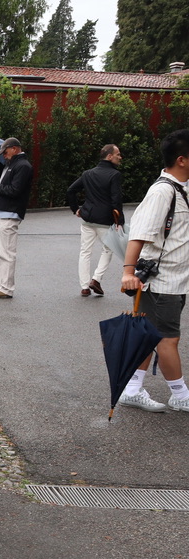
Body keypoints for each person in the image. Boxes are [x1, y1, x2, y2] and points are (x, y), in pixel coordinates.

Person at [117, 129, 189, 413]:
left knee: (149, 335)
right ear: (181, 159)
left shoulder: (182, 187)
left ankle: (132, 388)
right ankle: (180, 394)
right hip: (162, 282)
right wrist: (127, 272)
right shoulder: (162, 191)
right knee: (167, 339)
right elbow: (139, 234)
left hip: (178, 280)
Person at [66, 144, 124, 297]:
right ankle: (96, 279)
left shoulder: (87, 174)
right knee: (108, 249)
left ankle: (84, 287)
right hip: (105, 220)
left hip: (87, 218)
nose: (120, 157)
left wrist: (76, 209)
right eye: (118, 154)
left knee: (85, 252)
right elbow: (116, 200)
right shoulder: (114, 175)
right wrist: (120, 222)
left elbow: (71, 190)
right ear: (109, 156)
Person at [0, 137, 34, 298]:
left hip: (10, 212)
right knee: (2, 251)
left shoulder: (23, 166)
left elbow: (14, 190)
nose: (4, 155)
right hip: (4, 212)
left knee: (7, 252)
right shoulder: (13, 165)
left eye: (5, 152)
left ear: (14, 148)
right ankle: (1, 284)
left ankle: (6, 288)